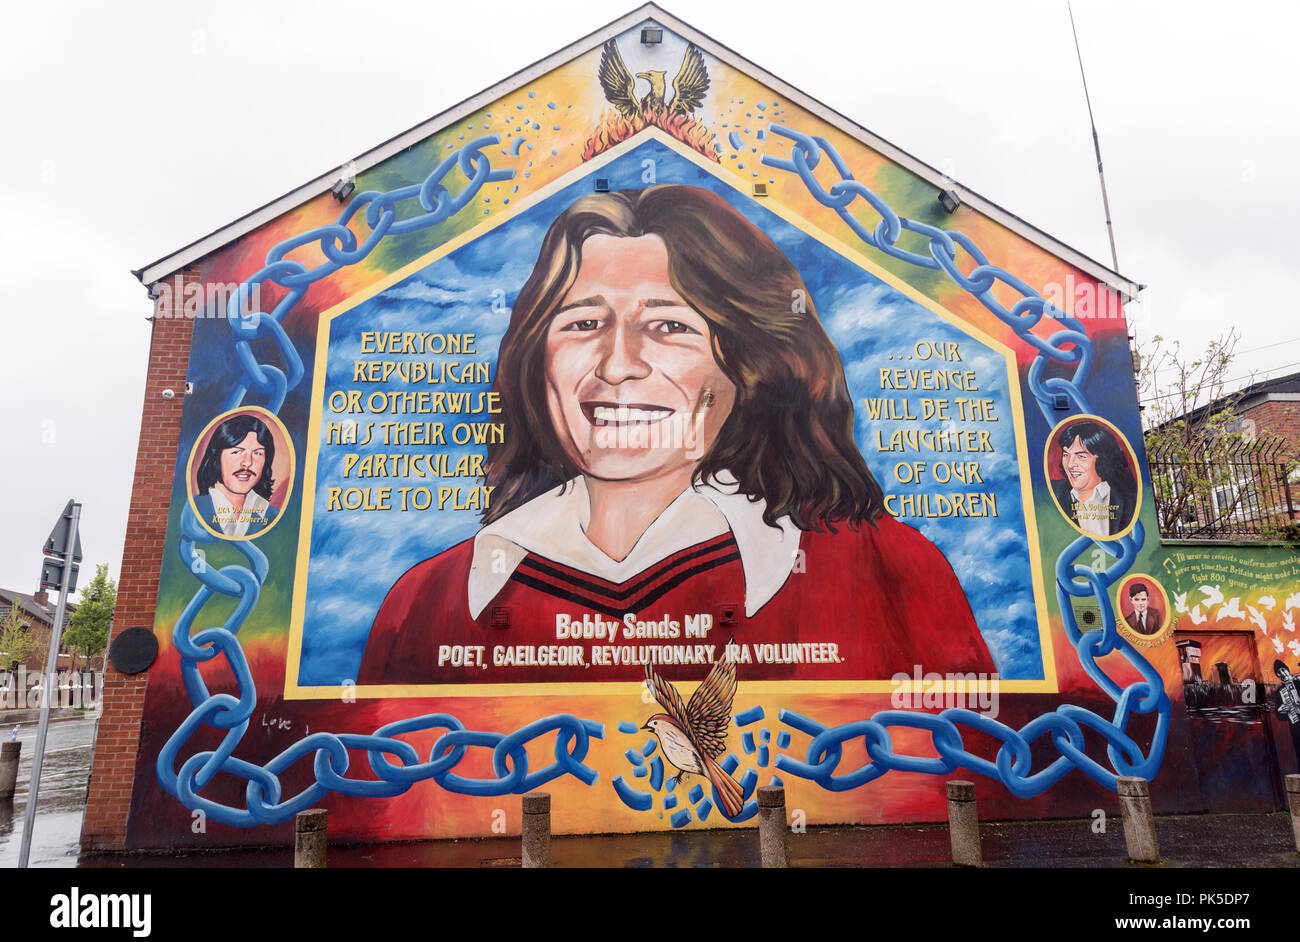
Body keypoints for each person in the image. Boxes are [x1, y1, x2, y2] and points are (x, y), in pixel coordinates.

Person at [359, 185, 995, 685]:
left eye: (669, 327)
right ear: (538, 361)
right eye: (582, 324)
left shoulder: (888, 572)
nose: (617, 365)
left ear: (749, 364)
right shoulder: (429, 603)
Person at [193, 414, 279, 537]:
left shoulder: (272, 517)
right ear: (216, 456)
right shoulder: (194, 510)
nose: (248, 462)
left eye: (257, 453)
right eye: (237, 452)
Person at [1050, 420, 1136, 537]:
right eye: (1066, 455)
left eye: (1081, 456)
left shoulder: (1127, 496)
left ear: (1102, 458)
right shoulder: (1052, 492)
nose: (1070, 464)